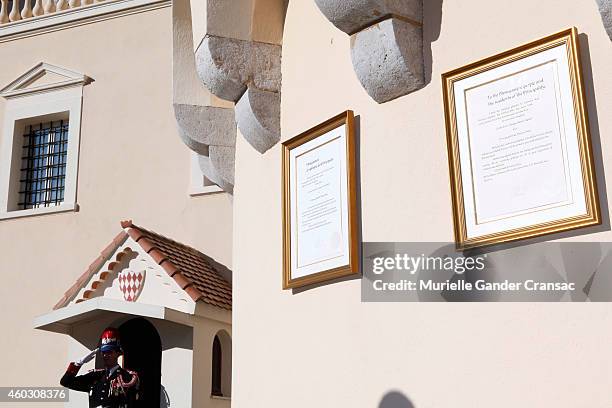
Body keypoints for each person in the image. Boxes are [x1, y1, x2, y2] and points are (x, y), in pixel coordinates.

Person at [60, 328, 139, 408]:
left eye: (109, 352)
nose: (105, 355)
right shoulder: (95, 376)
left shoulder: (127, 377)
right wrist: (79, 363)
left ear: (117, 353)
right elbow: (66, 382)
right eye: (103, 353)